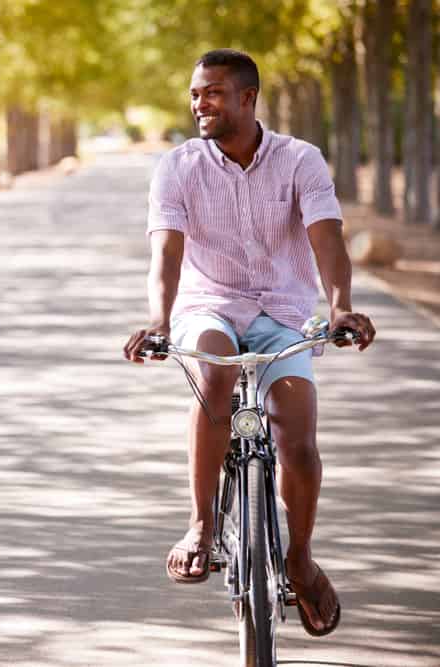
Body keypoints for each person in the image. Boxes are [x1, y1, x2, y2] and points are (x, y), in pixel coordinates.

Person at [122, 49, 375, 638]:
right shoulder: (178, 167)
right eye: (193, 94)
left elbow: (328, 239)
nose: (199, 104)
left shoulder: (299, 161)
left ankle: (300, 558)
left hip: (284, 310)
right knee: (211, 379)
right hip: (206, 305)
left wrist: (340, 308)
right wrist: (158, 321)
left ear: (247, 98)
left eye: (211, 92)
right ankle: (201, 527)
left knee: (296, 427)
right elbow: (166, 252)